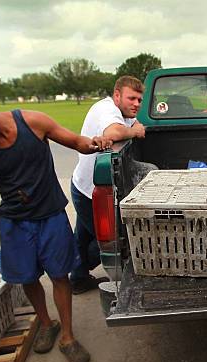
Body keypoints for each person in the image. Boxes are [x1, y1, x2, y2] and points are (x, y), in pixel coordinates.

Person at [0, 82, 111, 362]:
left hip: (51, 216)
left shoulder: (33, 122)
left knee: (59, 276)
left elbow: (76, 142)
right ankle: (46, 323)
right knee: (27, 277)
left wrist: (97, 142)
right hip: (15, 222)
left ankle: (67, 336)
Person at [69, 75, 146, 293]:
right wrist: (135, 131)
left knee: (82, 237)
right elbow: (114, 133)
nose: (137, 104)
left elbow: (134, 123)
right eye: (132, 98)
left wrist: (134, 126)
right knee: (103, 242)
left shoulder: (122, 112)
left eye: (140, 100)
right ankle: (74, 272)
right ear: (117, 95)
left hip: (88, 186)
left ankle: (77, 278)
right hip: (88, 190)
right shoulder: (106, 109)